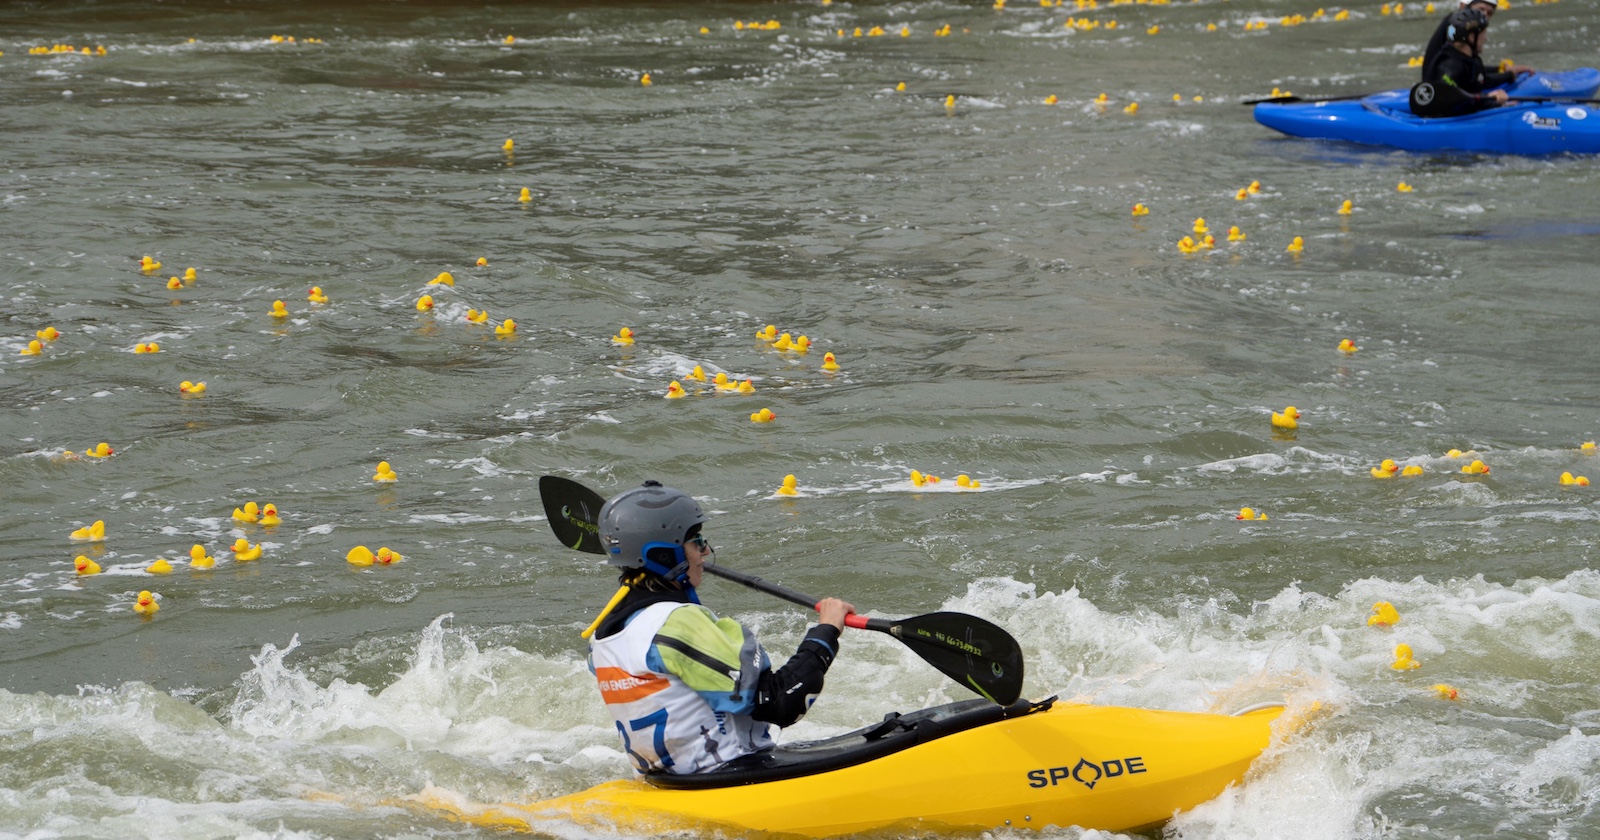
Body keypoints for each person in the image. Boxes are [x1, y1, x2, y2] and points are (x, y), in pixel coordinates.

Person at [586, 480, 854, 775]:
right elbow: (781, 703)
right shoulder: (677, 623)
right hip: (729, 778)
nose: (706, 551)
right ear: (664, 554)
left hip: (668, 783)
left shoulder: (602, 638)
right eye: (697, 541)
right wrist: (826, 632)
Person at [1411, 7, 1518, 118]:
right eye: (1483, 34)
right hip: (1445, 122)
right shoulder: (1450, 67)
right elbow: (1449, 101)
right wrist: (1488, 98)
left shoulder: (1470, 60)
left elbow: (1480, 80)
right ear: (1472, 37)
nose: (1485, 38)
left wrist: (1508, 76)